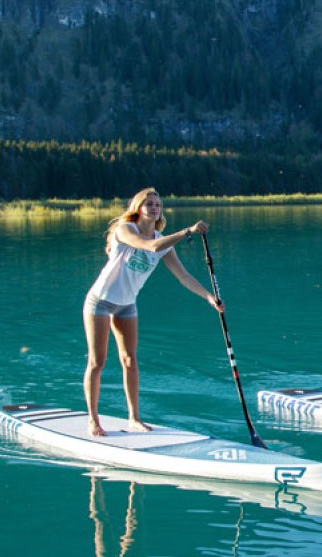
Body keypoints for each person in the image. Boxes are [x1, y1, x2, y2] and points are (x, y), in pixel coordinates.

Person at [83, 187, 223, 437]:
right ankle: (93, 421)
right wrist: (188, 231)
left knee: (130, 360)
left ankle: (134, 418)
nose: (154, 207)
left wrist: (209, 298)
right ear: (138, 208)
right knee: (98, 361)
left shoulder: (164, 244)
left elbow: (184, 276)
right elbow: (150, 246)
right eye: (148, 203)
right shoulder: (125, 231)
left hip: (127, 304)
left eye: (157, 204)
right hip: (100, 302)